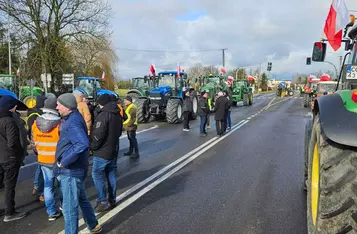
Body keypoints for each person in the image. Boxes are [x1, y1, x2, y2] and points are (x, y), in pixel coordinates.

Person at [53, 93, 102, 234]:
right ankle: (93, 225)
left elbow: (81, 144)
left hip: (70, 171)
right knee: (82, 199)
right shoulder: (72, 117)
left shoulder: (72, 121)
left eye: (59, 104)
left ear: (67, 106)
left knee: (69, 209)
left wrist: (64, 161)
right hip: (75, 169)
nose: (57, 107)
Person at [31, 97, 62, 221]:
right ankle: (63, 207)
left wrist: (39, 153)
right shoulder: (60, 124)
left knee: (48, 186)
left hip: (43, 159)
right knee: (61, 185)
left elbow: (33, 143)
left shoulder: (36, 123)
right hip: (57, 160)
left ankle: (51, 212)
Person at [91, 94, 123, 212]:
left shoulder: (104, 115)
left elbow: (98, 134)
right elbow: (119, 132)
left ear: (102, 103)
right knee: (111, 173)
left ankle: (102, 201)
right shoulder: (117, 113)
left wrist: (93, 147)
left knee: (96, 174)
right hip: (114, 149)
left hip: (102, 151)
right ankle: (112, 199)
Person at [0, 95, 27, 222]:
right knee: (9, 186)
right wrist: (20, 152)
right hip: (9, 157)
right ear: (13, 107)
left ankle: (5, 210)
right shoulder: (9, 120)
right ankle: (9, 213)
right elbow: (12, 143)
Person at [27, 94, 47, 200]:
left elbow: (29, 131)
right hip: (40, 144)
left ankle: (36, 186)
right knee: (42, 167)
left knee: (40, 166)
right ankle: (40, 190)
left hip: (36, 144)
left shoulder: (31, 113)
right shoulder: (38, 114)